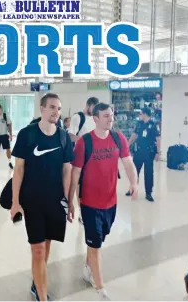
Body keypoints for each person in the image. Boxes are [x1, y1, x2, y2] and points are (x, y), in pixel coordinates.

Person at [70, 103, 138, 301]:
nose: (111, 119)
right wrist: (72, 201)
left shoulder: (118, 138)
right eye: (106, 116)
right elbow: (75, 174)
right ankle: (100, 290)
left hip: (111, 202)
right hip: (89, 203)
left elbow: (128, 162)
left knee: (97, 241)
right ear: (96, 119)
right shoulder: (84, 143)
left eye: (112, 115)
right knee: (96, 246)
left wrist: (134, 182)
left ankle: (87, 269)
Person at [10, 93, 74, 301]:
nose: (56, 112)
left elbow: (67, 170)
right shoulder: (27, 134)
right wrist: (15, 202)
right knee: (37, 248)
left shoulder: (63, 136)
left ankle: (37, 282)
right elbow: (18, 170)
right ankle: (43, 296)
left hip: (55, 200)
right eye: (53, 107)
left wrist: (68, 201)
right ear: (42, 109)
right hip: (32, 199)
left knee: (46, 245)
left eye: (59, 108)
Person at [68, 97, 99, 224]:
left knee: (92, 185)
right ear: (89, 105)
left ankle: (91, 208)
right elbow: (70, 136)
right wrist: (84, 142)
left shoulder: (95, 118)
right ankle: (82, 212)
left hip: (94, 157)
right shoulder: (78, 117)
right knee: (80, 186)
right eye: (94, 108)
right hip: (80, 157)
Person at [127, 107, 161, 202]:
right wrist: (128, 144)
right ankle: (132, 189)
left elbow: (158, 139)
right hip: (138, 151)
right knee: (134, 171)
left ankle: (148, 193)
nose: (139, 115)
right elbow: (134, 135)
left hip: (149, 152)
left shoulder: (154, 125)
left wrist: (158, 152)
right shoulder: (139, 123)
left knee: (148, 173)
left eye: (141, 113)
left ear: (145, 114)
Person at [0, 103, 13, 169]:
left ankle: (10, 162)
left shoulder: (5, 116)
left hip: (4, 135)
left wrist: (10, 134)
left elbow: (9, 125)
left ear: (0, 108)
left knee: (8, 149)